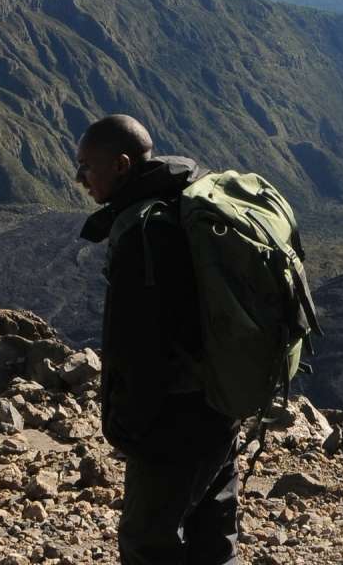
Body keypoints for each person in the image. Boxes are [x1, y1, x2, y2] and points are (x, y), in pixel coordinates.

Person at [76, 115, 239, 565]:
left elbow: (141, 346)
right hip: (222, 401)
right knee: (214, 535)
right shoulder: (186, 198)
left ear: (122, 165)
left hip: (174, 420)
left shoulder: (143, 233)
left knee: (147, 542)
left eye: (87, 166)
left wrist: (130, 425)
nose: (80, 178)